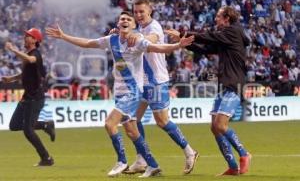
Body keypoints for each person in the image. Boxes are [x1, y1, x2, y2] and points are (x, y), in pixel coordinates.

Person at [45, 11, 194, 177]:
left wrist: (178, 46)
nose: (124, 21)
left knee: (110, 123)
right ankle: (152, 165)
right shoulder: (112, 40)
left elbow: (158, 47)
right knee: (131, 130)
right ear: (118, 24)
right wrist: (64, 36)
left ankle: (121, 161)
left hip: (133, 91)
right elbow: (87, 43)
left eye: (128, 19)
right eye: (122, 18)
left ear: (133, 26)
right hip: (119, 92)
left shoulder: (137, 41)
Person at [165, 6, 252, 176]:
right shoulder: (227, 37)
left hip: (234, 85)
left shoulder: (233, 31)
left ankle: (244, 153)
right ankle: (233, 166)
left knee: (220, 125)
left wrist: (183, 33)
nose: (216, 19)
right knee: (214, 127)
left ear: (227, 18)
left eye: (218, 16)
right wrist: (184, 43)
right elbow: (205, 48)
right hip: (224, 85)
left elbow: (208, 36)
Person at [123, 0, 199, 175]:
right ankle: (141, 159)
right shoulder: (139, 28)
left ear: (150, 11)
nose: (139, 15)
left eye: (142, 11)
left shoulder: (154, 27)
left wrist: (138, 37)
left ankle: (190, 151)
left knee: (162, 121)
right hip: (143, 82)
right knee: (132, 119)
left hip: (156, 81)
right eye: (136, 12)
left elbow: (153, 38)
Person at [2, 28, 54, 166]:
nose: (25, 37)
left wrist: (13, 50)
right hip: (28, 97)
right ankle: (46, 124)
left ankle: (46, 158)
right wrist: (11, 79)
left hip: (35, 97)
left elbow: (31, 60)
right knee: (14, 125)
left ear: (35, 40)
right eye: (25, 35)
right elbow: (24, 73)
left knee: (28, 130)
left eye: (29, 36)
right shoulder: (28, 54)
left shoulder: (35, 54)